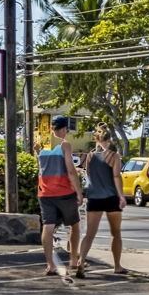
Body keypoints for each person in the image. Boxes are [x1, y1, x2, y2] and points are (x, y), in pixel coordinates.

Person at [37, 117, 86, 278]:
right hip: (64, 192)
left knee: (48, 226)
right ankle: (73, 259)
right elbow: (71, 170)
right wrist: (79, 191)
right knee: (74, 224)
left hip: (45, 192)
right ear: (64, 129)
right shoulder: (65, 145)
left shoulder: (40, 147)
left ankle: (50, 264)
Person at [75, 123, 127, 276]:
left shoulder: (90, 156)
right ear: (109, 140)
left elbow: (89, 176)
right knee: (116, 233)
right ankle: (117, 266)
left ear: (96, 140)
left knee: (89, 234)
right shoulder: (114, 156)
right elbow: (116, 176)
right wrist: (122, 196)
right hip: (111, 197)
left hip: (94, 197)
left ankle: (81, 261)